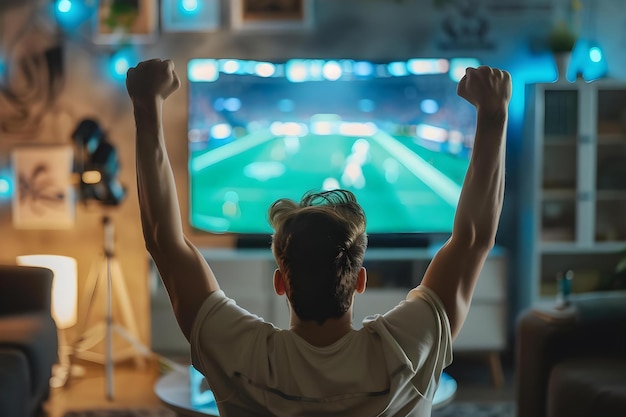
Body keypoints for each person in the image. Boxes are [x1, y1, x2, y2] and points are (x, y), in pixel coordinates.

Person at [126, 59, 511, 416]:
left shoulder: (241, 354)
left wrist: (147, 107)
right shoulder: (407, 346)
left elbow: (164, 241)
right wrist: (493, 116)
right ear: (360, 280)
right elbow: (473, 238)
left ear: (280, 281)